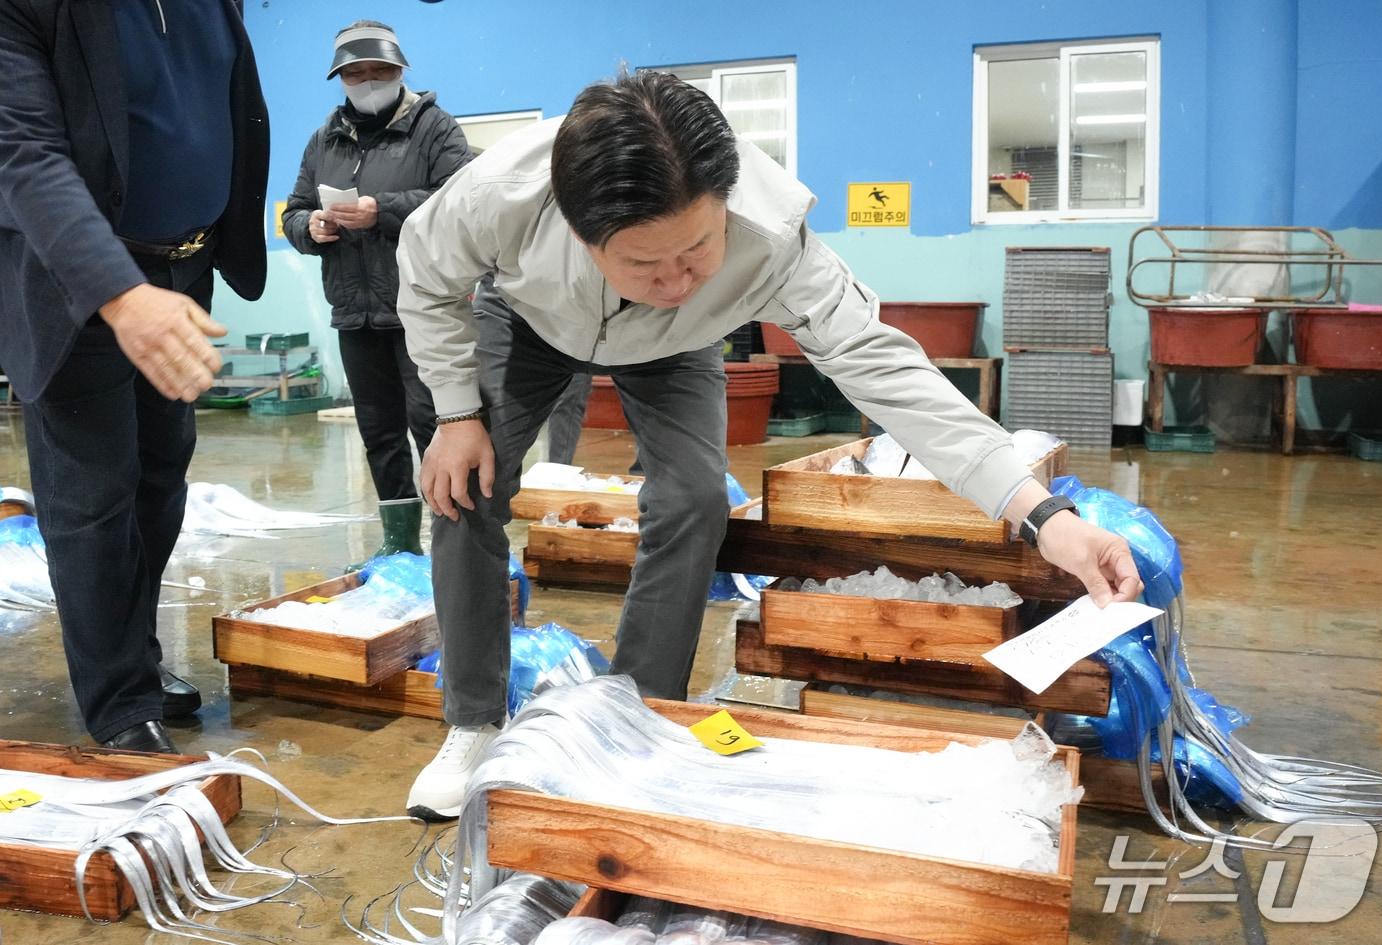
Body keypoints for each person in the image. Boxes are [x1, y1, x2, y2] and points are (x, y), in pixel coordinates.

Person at [395, 70, 1142, 819]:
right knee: (462, 486)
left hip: (675, 348)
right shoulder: (504, 193)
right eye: (643, 262)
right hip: (529, 320)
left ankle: (638, 714)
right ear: (580, 230)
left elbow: (886, 368)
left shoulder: (773, 237)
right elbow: (424, 271)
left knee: (691, 496)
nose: (675, 278)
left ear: (724, 206)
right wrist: (456, 412)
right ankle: (473, 721)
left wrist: (1047, 518)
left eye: (696, 249)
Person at [0, 0, 269, 752]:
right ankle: (120, 703)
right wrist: (120, 293)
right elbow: (23, 154)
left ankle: (136, 662)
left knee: (159, 479)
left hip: (185, 268)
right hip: (75, 285)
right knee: (93, 500)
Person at [283, 21, 471, 560]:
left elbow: (459, 200)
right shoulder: (324, 139)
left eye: (380, 72)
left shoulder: (434, 128)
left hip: (423, 309)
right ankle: (399, 544)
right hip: (355, 312)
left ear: (400, 71)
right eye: (355, 75)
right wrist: (311, 227)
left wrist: (380, 211)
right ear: (340, 79)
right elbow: (294, 210)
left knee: (433, 425)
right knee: (378, 432)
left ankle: (456, 542)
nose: (368, 82)